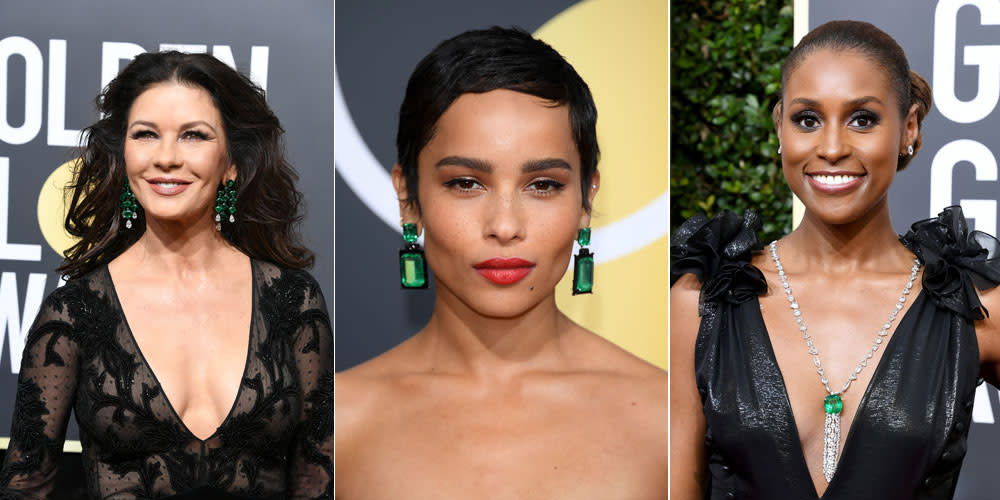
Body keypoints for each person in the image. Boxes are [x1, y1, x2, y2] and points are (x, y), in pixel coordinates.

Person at [671, 20, 1000, 500]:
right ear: (779, 126)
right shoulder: (701, 302)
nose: (831, 148)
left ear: (908, 128)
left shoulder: (974, 308)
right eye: (807, 120)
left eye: (862, 119)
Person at [335, 27, 666, 499]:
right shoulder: (337, 421)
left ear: (586, 199)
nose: (505, 226)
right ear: (408, 197)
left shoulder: (664, 416)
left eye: (543, 185)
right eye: (466, 183)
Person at [0, 52, 332, 499]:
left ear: (231, 162)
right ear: (124, 155)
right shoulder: (75, 313)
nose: (167, 158)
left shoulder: (293, 301)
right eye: (146, 135)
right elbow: (25, 486)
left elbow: (317, 479)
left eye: (194, 135)